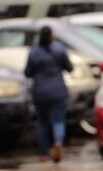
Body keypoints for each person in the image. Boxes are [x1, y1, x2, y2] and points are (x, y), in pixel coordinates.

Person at [24, 25, 73, 163]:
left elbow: (27, 72)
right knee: (58, 121)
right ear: (51, 35)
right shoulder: (59, 49)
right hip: (58, 91)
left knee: (43, 123)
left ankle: (44, 153)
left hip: (40, 92)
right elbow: (69, 67)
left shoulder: (34, 52)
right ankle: (58, 142)